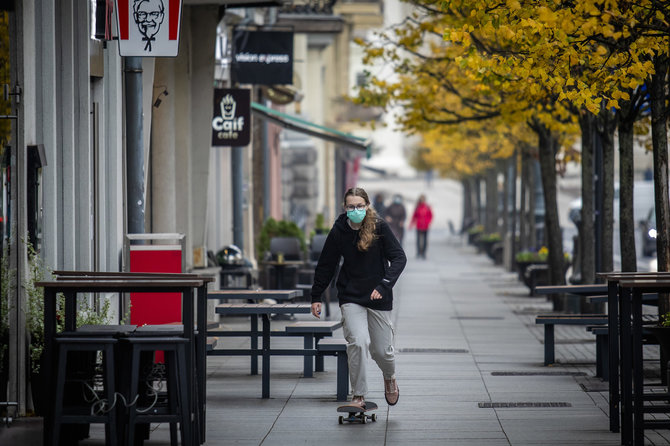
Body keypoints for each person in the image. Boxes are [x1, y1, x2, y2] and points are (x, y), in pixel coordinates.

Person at [310, 187, 407, 409]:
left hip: (378, 296)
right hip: (350, 295)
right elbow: (326, 264)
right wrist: (316, 295)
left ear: (367, 206)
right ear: (345, 208)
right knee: (358, 342)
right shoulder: (339, 231)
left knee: (382, 351)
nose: (356, 210)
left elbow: (399, 258)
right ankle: (358, 395)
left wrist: (384, 285)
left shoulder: (379, 227)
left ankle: (389, 377)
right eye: (351, 207)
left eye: (360, 206)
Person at [409, 194, 433, 259]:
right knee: (418, 240)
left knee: (425, 240)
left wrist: (428, 222)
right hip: (419, 225)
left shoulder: (427, 207)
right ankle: (418, 252)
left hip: (425, 226)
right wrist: (411, 224)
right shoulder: (417, 207)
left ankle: (423, 253)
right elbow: (414, 216)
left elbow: (431, 215)